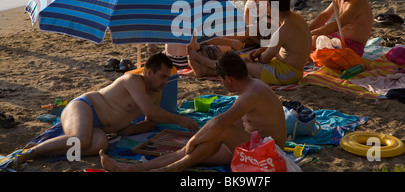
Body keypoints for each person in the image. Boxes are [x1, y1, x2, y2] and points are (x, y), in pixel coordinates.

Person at [99, 51, 287, 172]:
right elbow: (231, 125)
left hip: (271, 154)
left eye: (221, 80)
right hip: (256, 146)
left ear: (228, 79)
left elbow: (221, 124)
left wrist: (195, 139)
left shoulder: (251, 94)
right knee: (194, 150)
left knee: (213, 134)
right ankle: (132, 169)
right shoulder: (249, 89)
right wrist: (200, 141)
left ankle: (166, 170)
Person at [17, 53, 198, 164]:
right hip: (85, 106)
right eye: (162, 77)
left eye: (167, 78)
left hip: (101, 128)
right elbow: (150, 111)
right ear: (149, 72)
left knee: (99, 145)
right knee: (81, 139)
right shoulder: (132, 80)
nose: (165, 82)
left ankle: (46, 149)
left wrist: (128, 129)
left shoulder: (155, 93)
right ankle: (33, 151)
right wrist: (179, 119)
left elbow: (150, 122)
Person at [188, 0, 312, 86]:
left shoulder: (283, 30)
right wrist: (261, 50)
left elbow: (264, 59)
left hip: (285, 75)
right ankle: (206, 69)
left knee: (241, 66)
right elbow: (283, 45)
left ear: (271, 7)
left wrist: (258, 54)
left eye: (266, 5)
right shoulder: (297, 18)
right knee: (241, 60)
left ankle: (205, 65)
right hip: (293, 71)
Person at [309, 0, 373, 57]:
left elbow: (336, 25)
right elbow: (325, 15)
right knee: (308, 42)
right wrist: (306, 30)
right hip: (339, 40)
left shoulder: (356, 3)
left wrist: (309, 34)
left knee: (313, 40)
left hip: (352, 48)